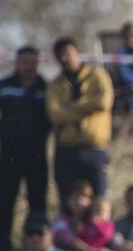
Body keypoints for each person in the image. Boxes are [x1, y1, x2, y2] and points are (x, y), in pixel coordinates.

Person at [0, 45, 50, 251]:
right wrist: (4, 131)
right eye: (25, 61)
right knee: (6, 201)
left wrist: (42, 133)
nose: (29, 66)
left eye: (33, 62)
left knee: (37, 202)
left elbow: (53, 115)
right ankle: (2, 249)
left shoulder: (45, 88)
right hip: (10, 153)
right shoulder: (3, 86)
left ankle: (34, 247)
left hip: (37, 153)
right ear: (17, 63)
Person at [47, 37, 114, 201]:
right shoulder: (54, 85)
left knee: (98, 201)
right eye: (60, 55)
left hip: (95, 149)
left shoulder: (97, 75)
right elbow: (55, 115)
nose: (65, 59)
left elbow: (104, 102)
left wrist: (70, 107)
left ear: (78, 53)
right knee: (67, 203)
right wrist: (89, 106)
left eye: (68, 53)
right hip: (66, 150)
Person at [53, 180, 116, 251]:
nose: (79, 202)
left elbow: (109, 234)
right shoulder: (61, 220)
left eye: (84, 198)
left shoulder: (93, 219)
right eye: (75, 197)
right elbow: (68, 239)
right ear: (68, 200)